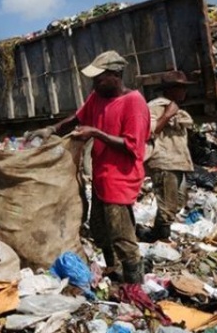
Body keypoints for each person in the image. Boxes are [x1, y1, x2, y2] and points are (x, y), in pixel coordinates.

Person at [28, 50, 151, 284]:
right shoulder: (97, 97)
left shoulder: (133, 102)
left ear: (116, 75)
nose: (94, 83)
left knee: (121, 234)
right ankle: (114, 270)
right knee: (99, 229)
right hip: (101, 175)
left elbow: (132, 146)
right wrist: (52, 130)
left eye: (99, 78)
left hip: (120, 178)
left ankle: (135, 284)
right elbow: (77, 119)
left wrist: (95, 132)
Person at [137, 71, 195, 243]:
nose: (184, 92)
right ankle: (160, 236)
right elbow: (147, 132)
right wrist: (167, 115)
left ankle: (157, 233)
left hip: (178, 162)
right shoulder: (155, 107)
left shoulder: (176, 108)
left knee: (178, 201)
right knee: (167, 204)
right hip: (164, 162)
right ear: (170, 90)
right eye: (181, 88)